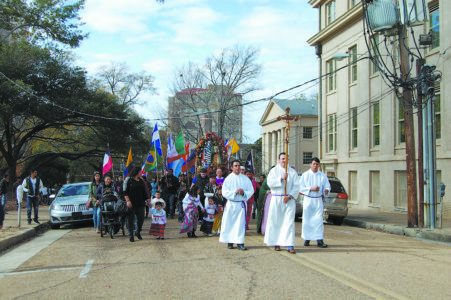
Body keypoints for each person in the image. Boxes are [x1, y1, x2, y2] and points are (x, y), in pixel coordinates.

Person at [264, 153, 300, 254]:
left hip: (288, 200)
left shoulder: (292, 172)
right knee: (276, 222)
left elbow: (297, 186)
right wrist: (280, 178)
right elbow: (269, 183)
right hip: (277, 199)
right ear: (279, 160)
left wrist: (290, 196)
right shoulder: (274, 171)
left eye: (286, 159)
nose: (284, 161)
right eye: (283, 159)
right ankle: (276, 242)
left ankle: (289, 244)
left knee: (288, 223)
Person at [219, 160, 254, 251]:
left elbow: (251, 190)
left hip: (240, 205)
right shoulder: (228, 179)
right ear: (232, 167)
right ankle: (230, 241)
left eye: (239, 165)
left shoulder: (245, 179)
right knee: (230, 223)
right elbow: (224, 192)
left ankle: (240, 242)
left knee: (240, 224)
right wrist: (234, 192)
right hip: (231, 203)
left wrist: (243, 193)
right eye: (235, 166)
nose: (238, 167)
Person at [299, 157, 330, 248]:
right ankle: (307, 239)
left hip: (318, 199)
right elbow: (300, 188)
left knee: (318, 220)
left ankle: (319, 240)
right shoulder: (305, 175)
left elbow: (327, 186)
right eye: (313, 164)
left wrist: (326, 190)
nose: (315, 166)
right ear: (310, 164)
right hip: (308, 199)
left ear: (319, 165)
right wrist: (310, 189)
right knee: (307, 220)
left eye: (317, 164)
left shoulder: (322, 176)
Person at [124, 168, 150, 242]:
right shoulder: (129, 180)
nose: (141, 173)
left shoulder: (141, 181)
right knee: (130, 219)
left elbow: (144, 191)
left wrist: (147, 199)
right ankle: (131, 235)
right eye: (139, 172)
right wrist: (128, 200)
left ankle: (137, 232)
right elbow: (125, 192)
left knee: (141, 219)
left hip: (140, 203)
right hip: (132, 203)